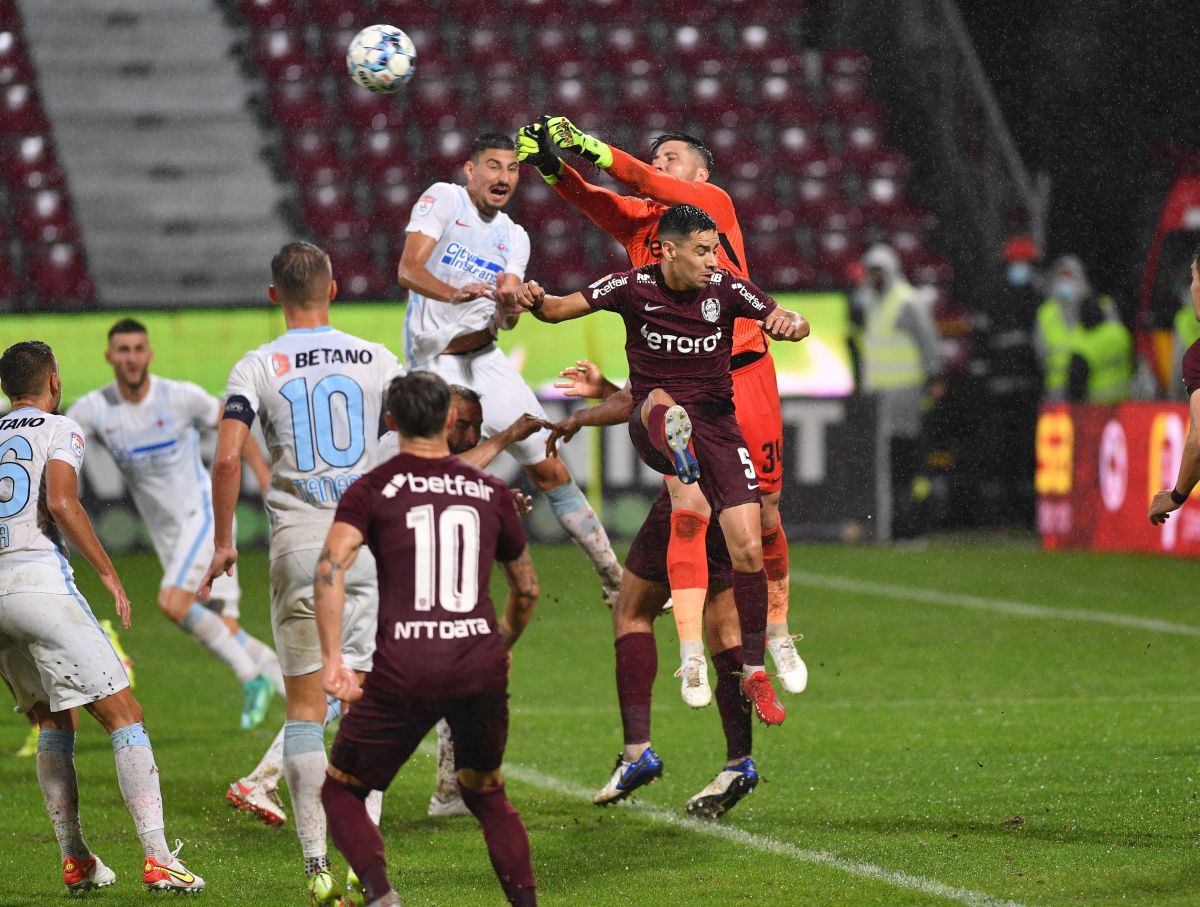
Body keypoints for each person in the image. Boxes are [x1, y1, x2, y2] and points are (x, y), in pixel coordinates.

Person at [518, 116, 807, 697]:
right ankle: (694, 651)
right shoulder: (640, 227)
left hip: (744, 373)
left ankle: (777, 626)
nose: (660, 163)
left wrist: (591, 146)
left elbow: (649, 183)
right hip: (681, 385)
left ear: (700, 173)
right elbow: (592, 197)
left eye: (671, 156)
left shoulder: (713, 206)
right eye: (657, 156)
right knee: (689, 504)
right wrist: (552, 163)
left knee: (769, 511)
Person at [197, 241, 402, 905]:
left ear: (272, 295)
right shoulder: (378, 358)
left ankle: (315, 864)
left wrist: (225, 542)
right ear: (335, 288)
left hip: (297, 544)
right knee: (366, 705)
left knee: (306, 708)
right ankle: (365, 866)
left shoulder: (257, 364)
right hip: (365, 539)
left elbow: (228, 459)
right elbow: (413, 441)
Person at [317, 371, 540, 907]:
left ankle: (381, 896)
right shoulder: (489, 489)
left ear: (392, 422)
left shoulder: (372, 488)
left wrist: (332, 661)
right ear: (447, 419)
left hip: (405, 666)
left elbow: (330, 566)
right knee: (487, 793)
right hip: (477, 660)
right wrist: (498, 644)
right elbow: (528, 591)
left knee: (342, 788)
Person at [0, 340, 204, 893]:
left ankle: (77, 859)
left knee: (51, 719)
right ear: (54, 381)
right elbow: (63, 502)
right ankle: (159, 857)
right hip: (39, 585)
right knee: (124, 713)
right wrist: (109, 573)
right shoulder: (59, 428)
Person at [395, 131, 622, 607]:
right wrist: (452, 292)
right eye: (493, 166)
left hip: (486, 361)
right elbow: (409, 270)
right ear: (470, 170)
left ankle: (613, 576)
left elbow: (510, 311)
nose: (504, 177)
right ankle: (427, 597)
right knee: (438, 484)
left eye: (512, 169)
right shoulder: (443, 198)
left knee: (550, 468)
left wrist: (514, 302)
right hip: (434, 366)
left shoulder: (514, 236)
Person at [548, 361, 767, 818]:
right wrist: (605, 390)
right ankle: (739, 761)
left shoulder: (659, 316)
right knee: (723, 625)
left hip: (687, 502)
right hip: (733, 494)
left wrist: (579, 416)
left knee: (631, 610)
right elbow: (649, 402)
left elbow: (646, 398)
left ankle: (636, 752)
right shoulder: (722, 327)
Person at [67, 318, 283, 730]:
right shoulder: (95, 409)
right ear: (109, 356)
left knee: (172, 602)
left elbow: (231, 424)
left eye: (138, 349)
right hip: (169, 535)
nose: (131, 358)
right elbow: (63, 440)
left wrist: (263, 473)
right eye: (123, 350)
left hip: (204, 516)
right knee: (225, 625)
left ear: (149, 354)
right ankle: (306, 703)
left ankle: (251, 677)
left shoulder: (179, 397)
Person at [380, 384, 546, 819]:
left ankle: (449, 792)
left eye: (477, 427)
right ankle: (266, 776)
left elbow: (446, 487)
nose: (472, 436)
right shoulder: (393, 450)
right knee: (349, 688)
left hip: (410, 590)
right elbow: (440, 480)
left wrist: (492, 501)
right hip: (373, 587)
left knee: (451, 677)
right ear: (444, 419)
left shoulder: (434, 463)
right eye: (466, 425)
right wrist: (508, 436)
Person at [859, 243, 943, 541]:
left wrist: (933, 377)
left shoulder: (907, 301)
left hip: (904, 393)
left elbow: (928, 342)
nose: (874, 277)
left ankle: (910, 523)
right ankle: (891, 523)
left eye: (878, 271)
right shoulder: (872, 302)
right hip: (879, 395)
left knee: (906, 459)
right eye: (871, 271)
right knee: (887, 462)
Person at [974, 236, 1042, 525]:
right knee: (999, 453)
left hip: (1027, 388)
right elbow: (980, 341)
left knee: (1027, 453)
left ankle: (1026, 515)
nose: (1020, 268)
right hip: (999, 388)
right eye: (1017, 263)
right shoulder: (993, 297)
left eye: (1024, 263)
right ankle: (999, 515)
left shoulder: (1037, 298)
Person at [1150, 245, 1200, 526]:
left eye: (1194, 277)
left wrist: (1176, 495)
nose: (1192, 287)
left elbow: (1199, 437)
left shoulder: (1198, 357)